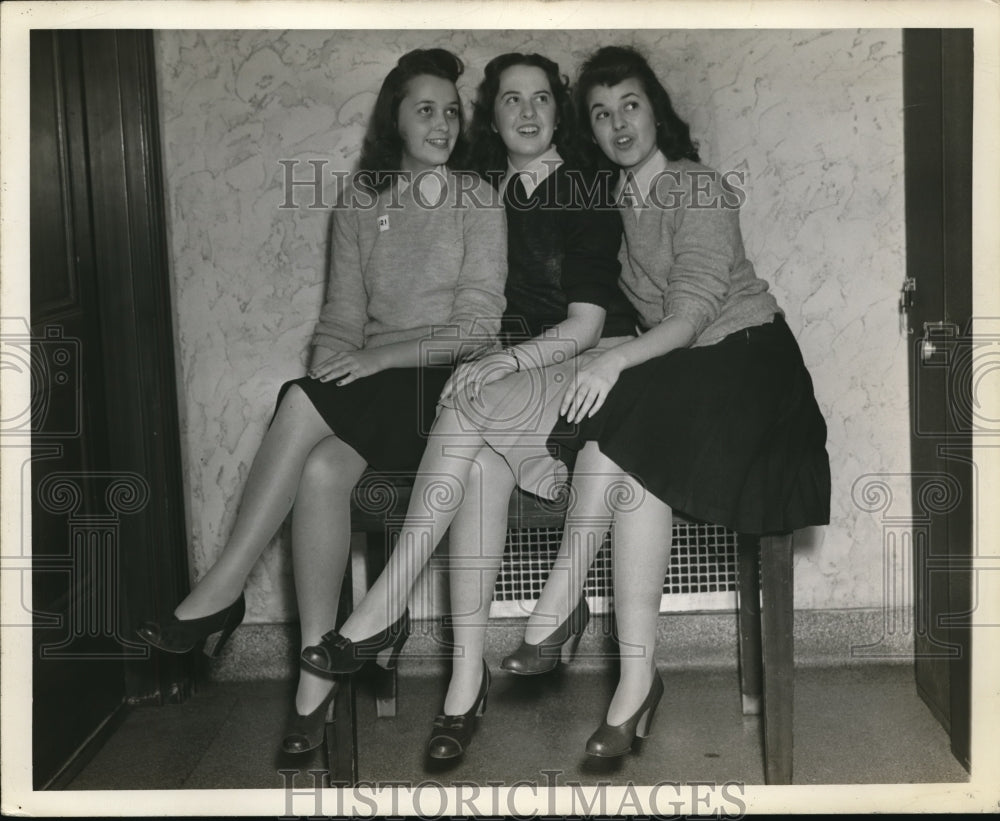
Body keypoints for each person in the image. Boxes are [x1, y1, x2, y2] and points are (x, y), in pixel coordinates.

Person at [134, 48, 507, 756]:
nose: (442, 123)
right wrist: (339, 370)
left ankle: (222, 588)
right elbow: (339, 322)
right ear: (393, 117)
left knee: (301, 401)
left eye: (451, 111)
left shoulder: (477, 202)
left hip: (448, 388)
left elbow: (477, 328)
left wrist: (372, 360)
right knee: (317, 468)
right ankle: (313, 682)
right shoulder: (362, 203)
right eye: (425, 109)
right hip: (378, 392)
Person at [299, 52, 636, 760]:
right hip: (499, 379)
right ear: (493, 114)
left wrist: (501, 360)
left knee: (468, 404)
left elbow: (585, 324)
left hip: (577, 368)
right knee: (476, 467)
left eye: (541, 98)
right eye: (510, 99)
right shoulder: (481, 189)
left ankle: (385, 606)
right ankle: (463, 684)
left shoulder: (586, 189)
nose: (527, 113)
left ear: (558, 110)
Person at [514, 45, 831, 758]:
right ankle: (634, 683)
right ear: (589, 132)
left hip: (754, 366)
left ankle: (560, 603)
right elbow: (634, 325)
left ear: (656, 108)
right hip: (699, 379)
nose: (619, 124)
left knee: (620, 403)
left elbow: (688, 315)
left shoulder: (695, 186)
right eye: (600, 114)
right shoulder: (621, 212)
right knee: (631, 466)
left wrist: (618, 360)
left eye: (630, 104)